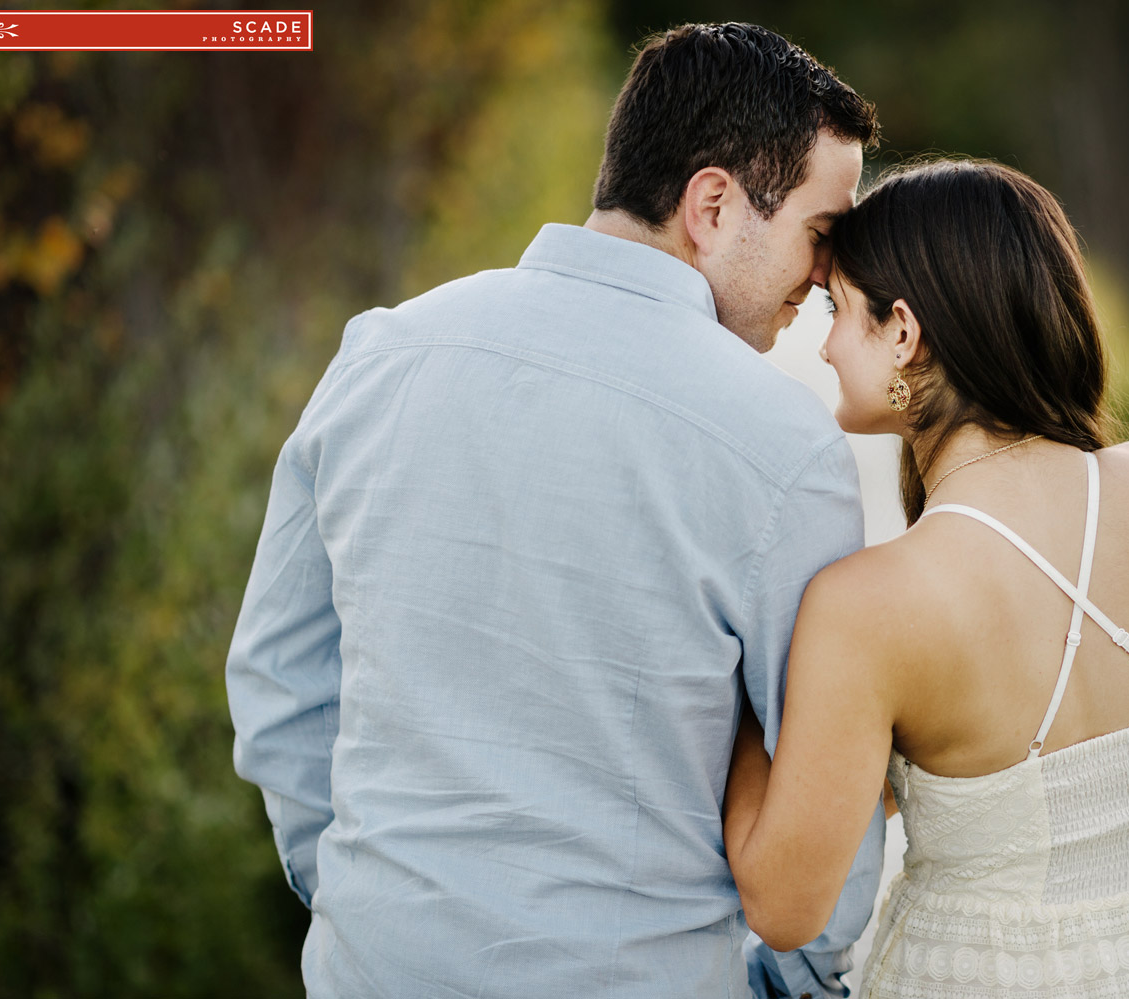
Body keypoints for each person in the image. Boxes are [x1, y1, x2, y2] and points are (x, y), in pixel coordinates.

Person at [225, 22, 884, 999]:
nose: (825, 283)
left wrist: (359, 910)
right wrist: (791, 981)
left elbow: (280, 685)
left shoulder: (383, 355)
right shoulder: (781, 448)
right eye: (820, 239)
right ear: (713, 204)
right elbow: (825, 781)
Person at [722, 159, 1129, 997]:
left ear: (904, 333)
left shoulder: (875, 605)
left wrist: (742, 672)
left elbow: (783, 904)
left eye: (839, 309)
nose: (827, 341)